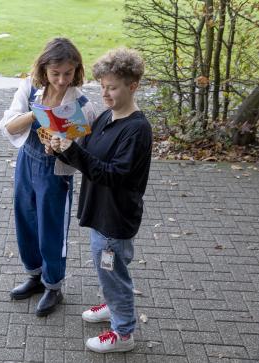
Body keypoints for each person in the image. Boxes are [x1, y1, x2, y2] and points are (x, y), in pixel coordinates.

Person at [50, 48, 151, 352]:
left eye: (113, 88)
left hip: (115, 216)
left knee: (112, 271)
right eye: (102, 87)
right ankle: (113, 305)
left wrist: (75, 151)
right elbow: (88, 152)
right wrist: (61, 146)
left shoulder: (136, 129)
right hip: (100, 209)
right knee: (110, 270)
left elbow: (114, 174)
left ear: (132, 86)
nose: (105, 94)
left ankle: (123, 333)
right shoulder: (108, 114)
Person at [0, 38, 96, 317]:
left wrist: (61, 146)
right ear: (44, 69)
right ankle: (34, 275)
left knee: (51, 227)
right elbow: (8, 127)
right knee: (25, 218)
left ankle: (53, 285)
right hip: (27, 162)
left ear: (76, 69)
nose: (62, 80)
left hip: (56, 171)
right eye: (56, 74)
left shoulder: (81, 103)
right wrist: (36, 114)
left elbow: (82, 150)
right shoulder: (30, 88)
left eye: (68, 73)